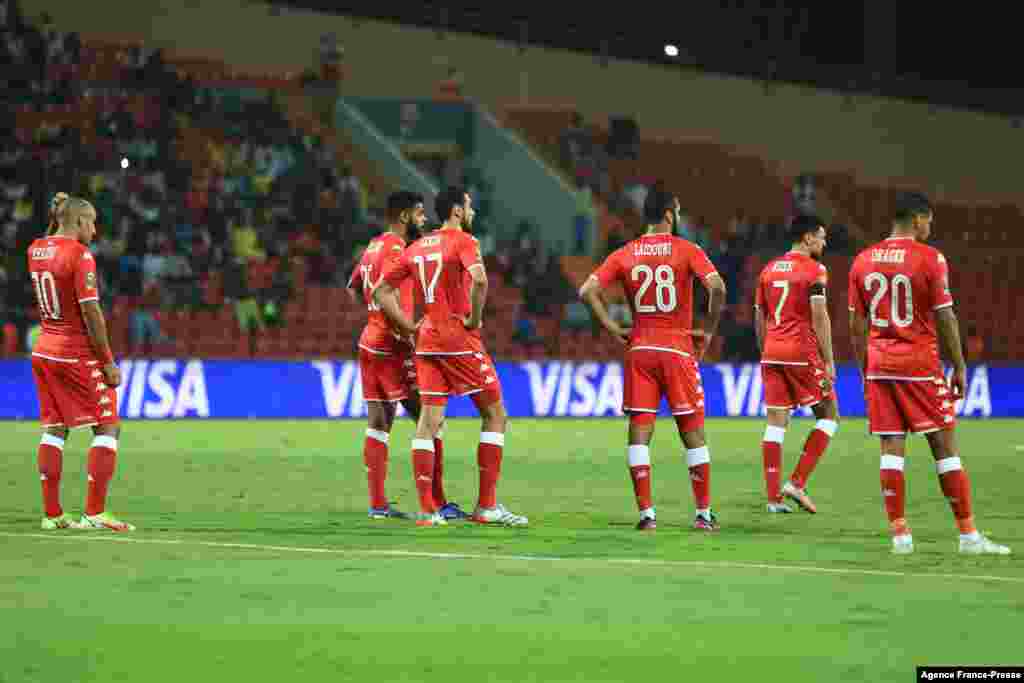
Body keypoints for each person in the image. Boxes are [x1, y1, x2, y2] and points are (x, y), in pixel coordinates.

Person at [849, 192, 1009, 556]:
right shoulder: (930, 258)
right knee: (944, 445)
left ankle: (900, 536)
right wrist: (960, 364)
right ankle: (968, 535)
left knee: (891, 447)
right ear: (919, 220)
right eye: (929, 222)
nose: (930, 228)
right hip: (919, 365)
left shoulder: (862, 260)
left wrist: (865, 371)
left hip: (879, 365)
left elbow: (855, 325)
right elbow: (945, 316)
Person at [374, 186, 527, 527]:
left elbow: (380, 291)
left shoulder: (415, 247)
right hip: (458, 338)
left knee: (429, 422)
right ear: (457, 210)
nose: (472, 211)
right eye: (469, 205)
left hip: (426, 342)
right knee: (495, 415)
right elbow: (481, 281)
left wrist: (410, 327)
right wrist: (473, 318)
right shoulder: (465, 242)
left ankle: (428, 510)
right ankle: (486, 506)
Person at [579, 185, 727, 531]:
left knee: (639, 434)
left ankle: (647, 515)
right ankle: (703, 515)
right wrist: (708, 328)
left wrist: (613, 326)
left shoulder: (625, 252)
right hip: (677, 350)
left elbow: (587, 291)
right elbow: (717, 287)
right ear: (668, 214)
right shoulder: (686, 249)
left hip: (641, 350)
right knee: (692, 432)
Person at [346, 191, 468, 521]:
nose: (424, 219)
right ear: (403, 216)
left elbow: (354, 287)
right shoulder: (397, 248)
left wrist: (374, 317)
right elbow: (384, 296)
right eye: (418, 214)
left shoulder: (372, 246)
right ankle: (437, 503)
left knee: (379, 423)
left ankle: (378, 505)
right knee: (431, 419)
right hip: (393, 345)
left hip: (369, 341)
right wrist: (410, 329)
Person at [29, 193, 132, 531]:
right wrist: (108, 362)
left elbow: (51, 240)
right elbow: (91, 311)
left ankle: (53, 515)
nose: (95, 230)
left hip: (44, 349)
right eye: (92, 221)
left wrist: (56, 214)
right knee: (107, 424)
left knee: (54, 429)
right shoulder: (80, 255)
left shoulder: (36, 249)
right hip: (75, 352)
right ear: (78, 221)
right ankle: (95, 512)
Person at [754, 214, 839, 514]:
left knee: (775, 424)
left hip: (772, 351)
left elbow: (760, 317)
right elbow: (819, 316)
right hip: (801, 352)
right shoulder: (815, 270)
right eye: (821, 236)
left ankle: (773, 499)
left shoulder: (768, 270)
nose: (824, 242)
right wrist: (828, 360)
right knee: (829, 415)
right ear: (807, 238)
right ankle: (797, 483)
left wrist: (765, 350)